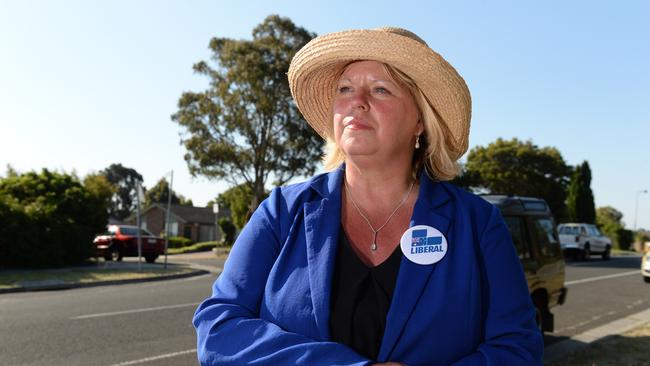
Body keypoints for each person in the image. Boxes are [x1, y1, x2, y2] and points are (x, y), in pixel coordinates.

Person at [193, 27, 543, 365]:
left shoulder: (477, 223)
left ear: (420, 121)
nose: (356, 103)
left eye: (380, 90)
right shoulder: (281, 212)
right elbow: (218, 327)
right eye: (345, 89)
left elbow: (518, 348)